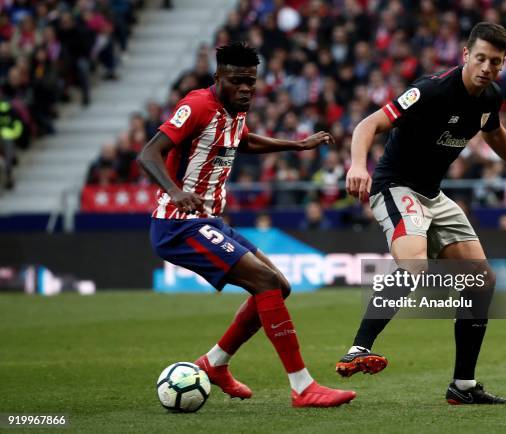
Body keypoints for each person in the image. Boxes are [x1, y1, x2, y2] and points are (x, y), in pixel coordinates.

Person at [336, 23, 506, 405]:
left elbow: (494, 131)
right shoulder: (432, 89)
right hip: (396, 186)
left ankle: (463, 386)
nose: (486, 67)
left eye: (495, 62)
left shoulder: (489, 98)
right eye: (480, 58)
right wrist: (357, 165)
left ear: (503, 66)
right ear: (465, 55)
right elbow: (370, 123)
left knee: (482, 281)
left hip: (434, 195)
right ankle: (359, 349)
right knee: (414, 267)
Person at [138, 42, 356, 408]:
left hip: (208, 220)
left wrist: (297, 145)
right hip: (178, 224)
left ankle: (215, 363)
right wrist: (174, 192)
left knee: (278, 286)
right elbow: (148, 153)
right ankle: (302, 387)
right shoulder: (197, 105)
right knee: (266, 282)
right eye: (237, 81)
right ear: (218, 77)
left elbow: (242, 141)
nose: (245, 89)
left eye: (251, 83)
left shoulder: (235, 108)